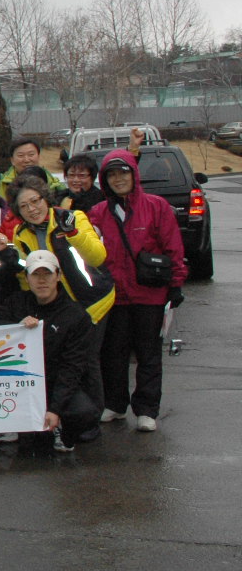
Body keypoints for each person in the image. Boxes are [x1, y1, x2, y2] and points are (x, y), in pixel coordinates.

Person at [87, 149, 187, 432]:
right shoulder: (98, 212)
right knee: (113, 353)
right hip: (114, 297)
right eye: (112, 174)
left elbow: (173, 247)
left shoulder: (156, 206)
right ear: (105, 180)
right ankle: (115, 404)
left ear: (134, 174)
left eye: (123, 172)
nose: (118, 179)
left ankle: (146, 409)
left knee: (148, 353)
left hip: (149, 294)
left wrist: (176, 284)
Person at [0, 250, 100, 451]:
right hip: (18, 381)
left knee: (83, 411)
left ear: (58, 276)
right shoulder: (18, 301)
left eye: (47, 274)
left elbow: (72, 367)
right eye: (35, 274)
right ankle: (7, 425)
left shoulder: (76, 316)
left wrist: (55, 409)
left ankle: (60, 425)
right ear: (27, 278)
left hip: (55, 381)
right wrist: (17, 326)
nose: (42, 280)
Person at [7, 176, 114, 324]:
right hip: (62, 310)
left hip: (95, 302)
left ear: (45, 198)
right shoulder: (20, 234)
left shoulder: (73, 217)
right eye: (23, 206)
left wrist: (73, 233)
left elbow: (97, 257)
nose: (31, 209)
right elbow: (26, 275)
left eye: (35, 201)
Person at [0, 117, 64, 199]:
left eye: (31, 155)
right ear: (12, 160)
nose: (26, 160)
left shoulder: (55, 185)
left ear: (38, 156)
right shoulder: (0, 183)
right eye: (21, 155)